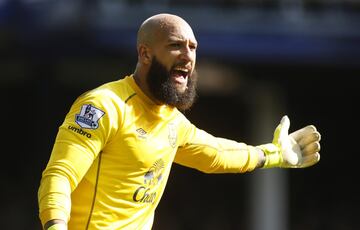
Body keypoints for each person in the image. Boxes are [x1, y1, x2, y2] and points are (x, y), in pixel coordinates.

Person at [37, 13, 321, 230]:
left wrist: (274, 154)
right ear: (145, 53)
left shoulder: (172, 122)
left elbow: (217, 154)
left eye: (193, 47)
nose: (187, 55)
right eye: (175, 45)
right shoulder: (104, 105)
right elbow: (59, 176)